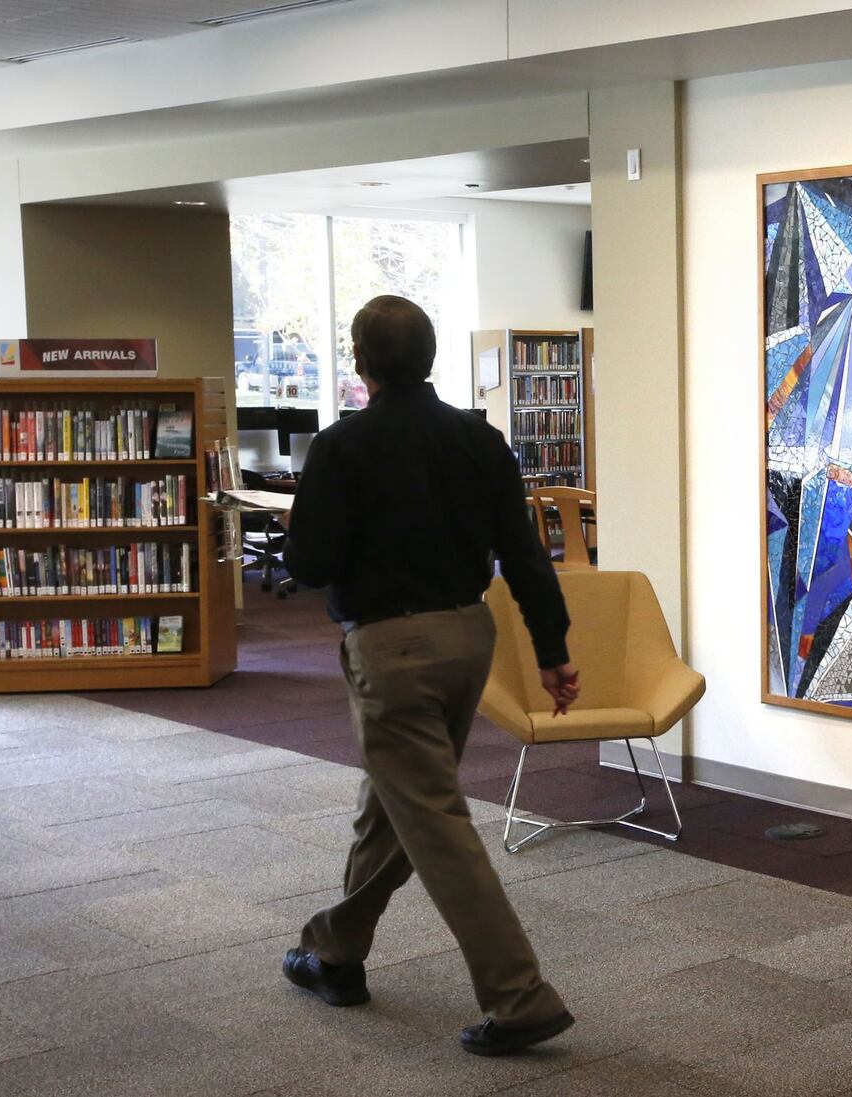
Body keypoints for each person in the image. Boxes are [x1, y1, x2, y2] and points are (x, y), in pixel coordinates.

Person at [278, 294, 580, 1057]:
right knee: (393, 803)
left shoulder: (342, 446)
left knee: (435, 821)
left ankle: (520, 997)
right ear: (433, 355)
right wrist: (553, 649)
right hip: (467, 637)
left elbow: (309, 564)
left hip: (392, 649)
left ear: (359, 362)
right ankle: (336, 953)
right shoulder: (480, 440)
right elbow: (524, 552)